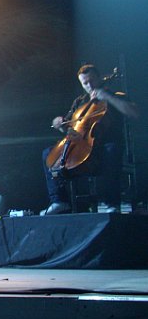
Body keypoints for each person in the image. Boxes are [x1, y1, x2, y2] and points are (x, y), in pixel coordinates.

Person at [41, 64, 139, 215]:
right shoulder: (80, 101)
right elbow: (70, 127)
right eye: (85, 83)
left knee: (111, 150)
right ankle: (59, 201)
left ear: (99, 78)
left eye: (92, 80)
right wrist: (60, 124)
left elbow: (134, 112)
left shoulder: (116, 95)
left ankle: (112, 203)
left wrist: (107, 97)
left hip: (104, 146)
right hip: (82, 143)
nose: (90, 86)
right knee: (48, 154)